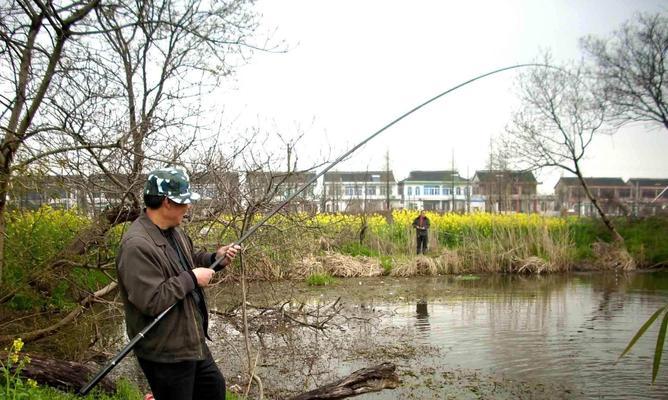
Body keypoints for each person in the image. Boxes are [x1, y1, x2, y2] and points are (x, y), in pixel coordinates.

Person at [116, 167, 240, 400]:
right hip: (165, 351)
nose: (189, 207)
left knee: (214, 388)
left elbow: (189, 261)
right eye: (184, 201)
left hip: (190, 341)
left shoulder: (174, 232)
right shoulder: (136, 246)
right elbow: (151, 300)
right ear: (167, 202)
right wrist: (192, 278)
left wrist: (215, 258)